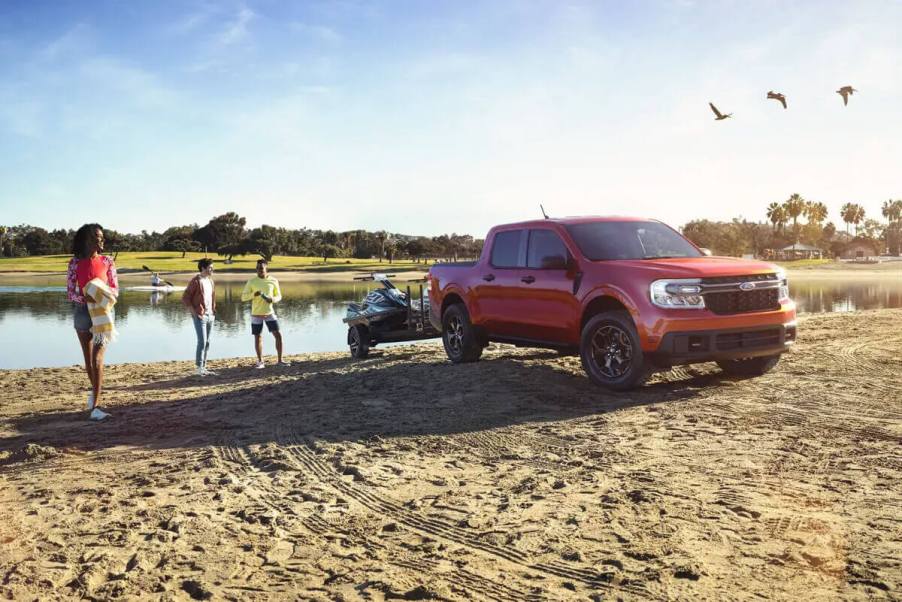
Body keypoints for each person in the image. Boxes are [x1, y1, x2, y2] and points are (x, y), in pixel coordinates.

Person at [66, 223, 118, 421]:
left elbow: (115, 289)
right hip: (82, 313)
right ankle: (94, 397)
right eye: (98, 236)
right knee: (88, 361)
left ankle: (95, 407)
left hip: (104, 313)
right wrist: (84, 299)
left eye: (102, 236)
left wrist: (100, 294)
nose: (101, 239)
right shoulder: (74, 263)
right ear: (88, 239)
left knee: (97, 359)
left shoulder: (108, 261)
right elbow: (71, 292)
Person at [240, 259, 289, 369]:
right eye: (257, 268)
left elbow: (279, 296)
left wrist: (272, 299)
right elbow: (243, 297)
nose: (259, 270)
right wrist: (254, 294)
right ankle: (260, 361)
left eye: (261, 268)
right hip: (256, 313)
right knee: (258, 337)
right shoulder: (252, 282)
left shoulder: (273, 281)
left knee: (278, 335)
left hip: (269, 313)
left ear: (266, 269)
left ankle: (280, 360)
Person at [182, 258, 216, 376]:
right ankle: (199, 367)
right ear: (203, 268)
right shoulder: (196, 281)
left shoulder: (210, 281)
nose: (213, 269)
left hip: (210, 315)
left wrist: (213, 312)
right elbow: (185, 298)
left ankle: (204, 367)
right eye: (210, 267)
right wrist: (194, 313)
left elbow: (212, 298)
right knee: (202, 341)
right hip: (200, 316)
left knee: (207, 342)